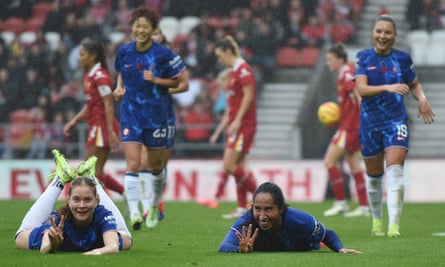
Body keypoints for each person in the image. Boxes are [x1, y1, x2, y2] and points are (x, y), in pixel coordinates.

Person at [354, 14, 434, 237]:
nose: (382, 36)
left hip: (396, 121)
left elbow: (414, 84)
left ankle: (394, 226)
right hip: (369, 124)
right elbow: (361, 89)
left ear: (395, 35)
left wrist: (423, 99)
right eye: (379, 31)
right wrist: (389, 88)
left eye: (387, 32)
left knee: (396, 169)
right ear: (372, 33)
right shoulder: (363, 58)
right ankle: (377, 220)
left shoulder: (403, 59)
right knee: (374, 175)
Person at [113, 6, 188, 230]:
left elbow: (182, 83)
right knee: (133, 164)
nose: (141, 30)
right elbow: (121, 74)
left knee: (155, 167)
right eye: (138, 26)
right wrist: (118, 89)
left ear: (153, 29)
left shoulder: (165, 55)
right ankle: (135, 212)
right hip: (131, 115)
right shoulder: (124, 51)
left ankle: (154, 203)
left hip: (157, 116)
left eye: (146, 26)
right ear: (132, 28)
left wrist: (157, 80)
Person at [15, 149, 132, 254]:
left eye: (87, 200)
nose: (82, 205)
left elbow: (113, 247)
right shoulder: (59, 219)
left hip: (96, 241)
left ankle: (91, 178)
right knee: (20, 236)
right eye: (76, 200)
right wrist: (53, 244)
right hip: (42, 237)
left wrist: (93, 253)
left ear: (97, 201)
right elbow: (44, 248)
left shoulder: (102, 215)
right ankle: (60, 180)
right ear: (68, 200)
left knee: (126, 239)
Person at [199, 36, 258, 219]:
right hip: (237, 125)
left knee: (229, 165)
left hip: (244, 125)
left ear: (227, 52)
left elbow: (249, 96)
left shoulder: (244, 70)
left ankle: (265, 198)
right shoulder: (234, 72)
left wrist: (238, 120)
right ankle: (242, 207)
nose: (219, 60)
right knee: (237, 166)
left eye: (219, 56)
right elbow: (234, 104)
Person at [218, 182, 362, 254]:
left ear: (281, 208)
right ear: (251, 207)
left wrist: (340, 248)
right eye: (257, 208)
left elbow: (327, 234)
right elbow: (224, 246)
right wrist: (240, 250)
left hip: (305, 245)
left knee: (316, 242)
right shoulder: (247, 222)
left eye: (268, 209)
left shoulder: (300, 220)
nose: (262, 216)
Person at [63, 40, 124, 196]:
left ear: (92, 57)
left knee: (89, 172)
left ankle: (104, 207)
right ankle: (126, 195)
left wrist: (110, 131)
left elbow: (108, 104)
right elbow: (90, 105)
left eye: (82, 54)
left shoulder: (100, 76)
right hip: (96, 125)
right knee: (96, 173)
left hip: (102, 127)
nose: (79, 58)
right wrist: (74, 121)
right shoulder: (89, 76)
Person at [322, 43, 369, 218]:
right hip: (349, 125)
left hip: (350, 127)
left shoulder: (347, 74)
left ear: (339, 59)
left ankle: (341, 202)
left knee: (329, 161)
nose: (328, 63)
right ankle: (364, 206)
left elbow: (359, 94)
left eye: (330, 59)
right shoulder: (344, 74)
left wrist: (365, 119)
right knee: (353, 164)